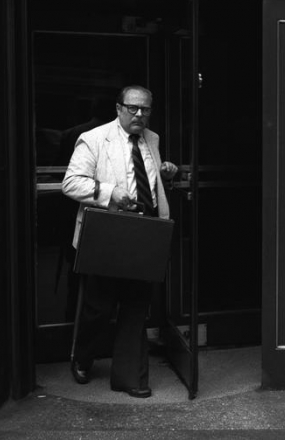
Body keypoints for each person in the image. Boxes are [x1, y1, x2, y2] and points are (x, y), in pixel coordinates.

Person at [62, 85, 178, 398]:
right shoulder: (95, 139)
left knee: (136, 306)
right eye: (133, 108)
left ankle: (132, 378)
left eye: (146, 109)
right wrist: (111, 192)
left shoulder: (152, 139)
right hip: (107, 235)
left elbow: (147, 178)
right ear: (118, 108)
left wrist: (165, 174)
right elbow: (71, 183)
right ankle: (82, 356)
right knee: (98, 306)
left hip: (144, 234)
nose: (140, 115)